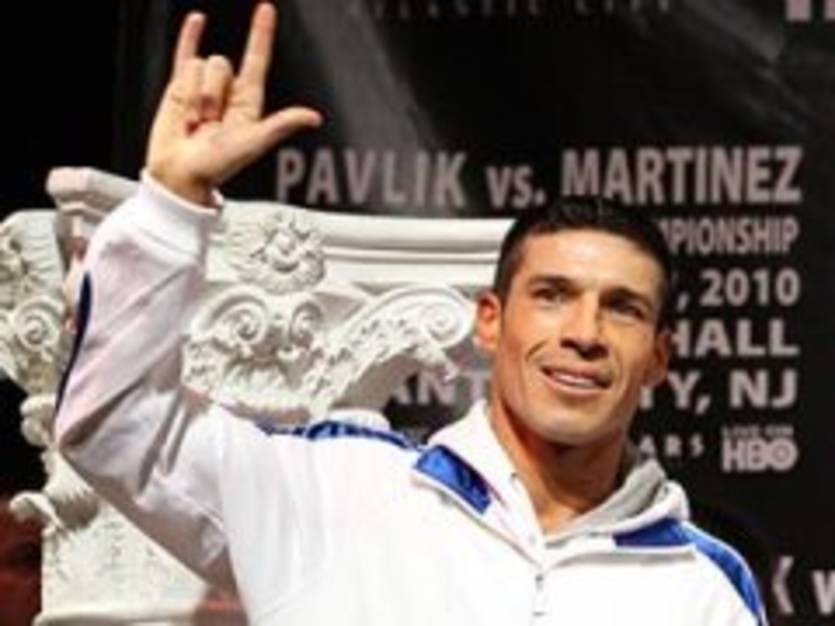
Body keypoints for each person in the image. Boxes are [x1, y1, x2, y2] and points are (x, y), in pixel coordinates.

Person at [54, 3, 768, 625]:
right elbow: (117, 428)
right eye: (551, 296)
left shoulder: (704, 590)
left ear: (659, 358)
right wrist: (171, 204)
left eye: (622, 309)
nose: (584, 334)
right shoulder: (335, 493)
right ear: (490, 321)